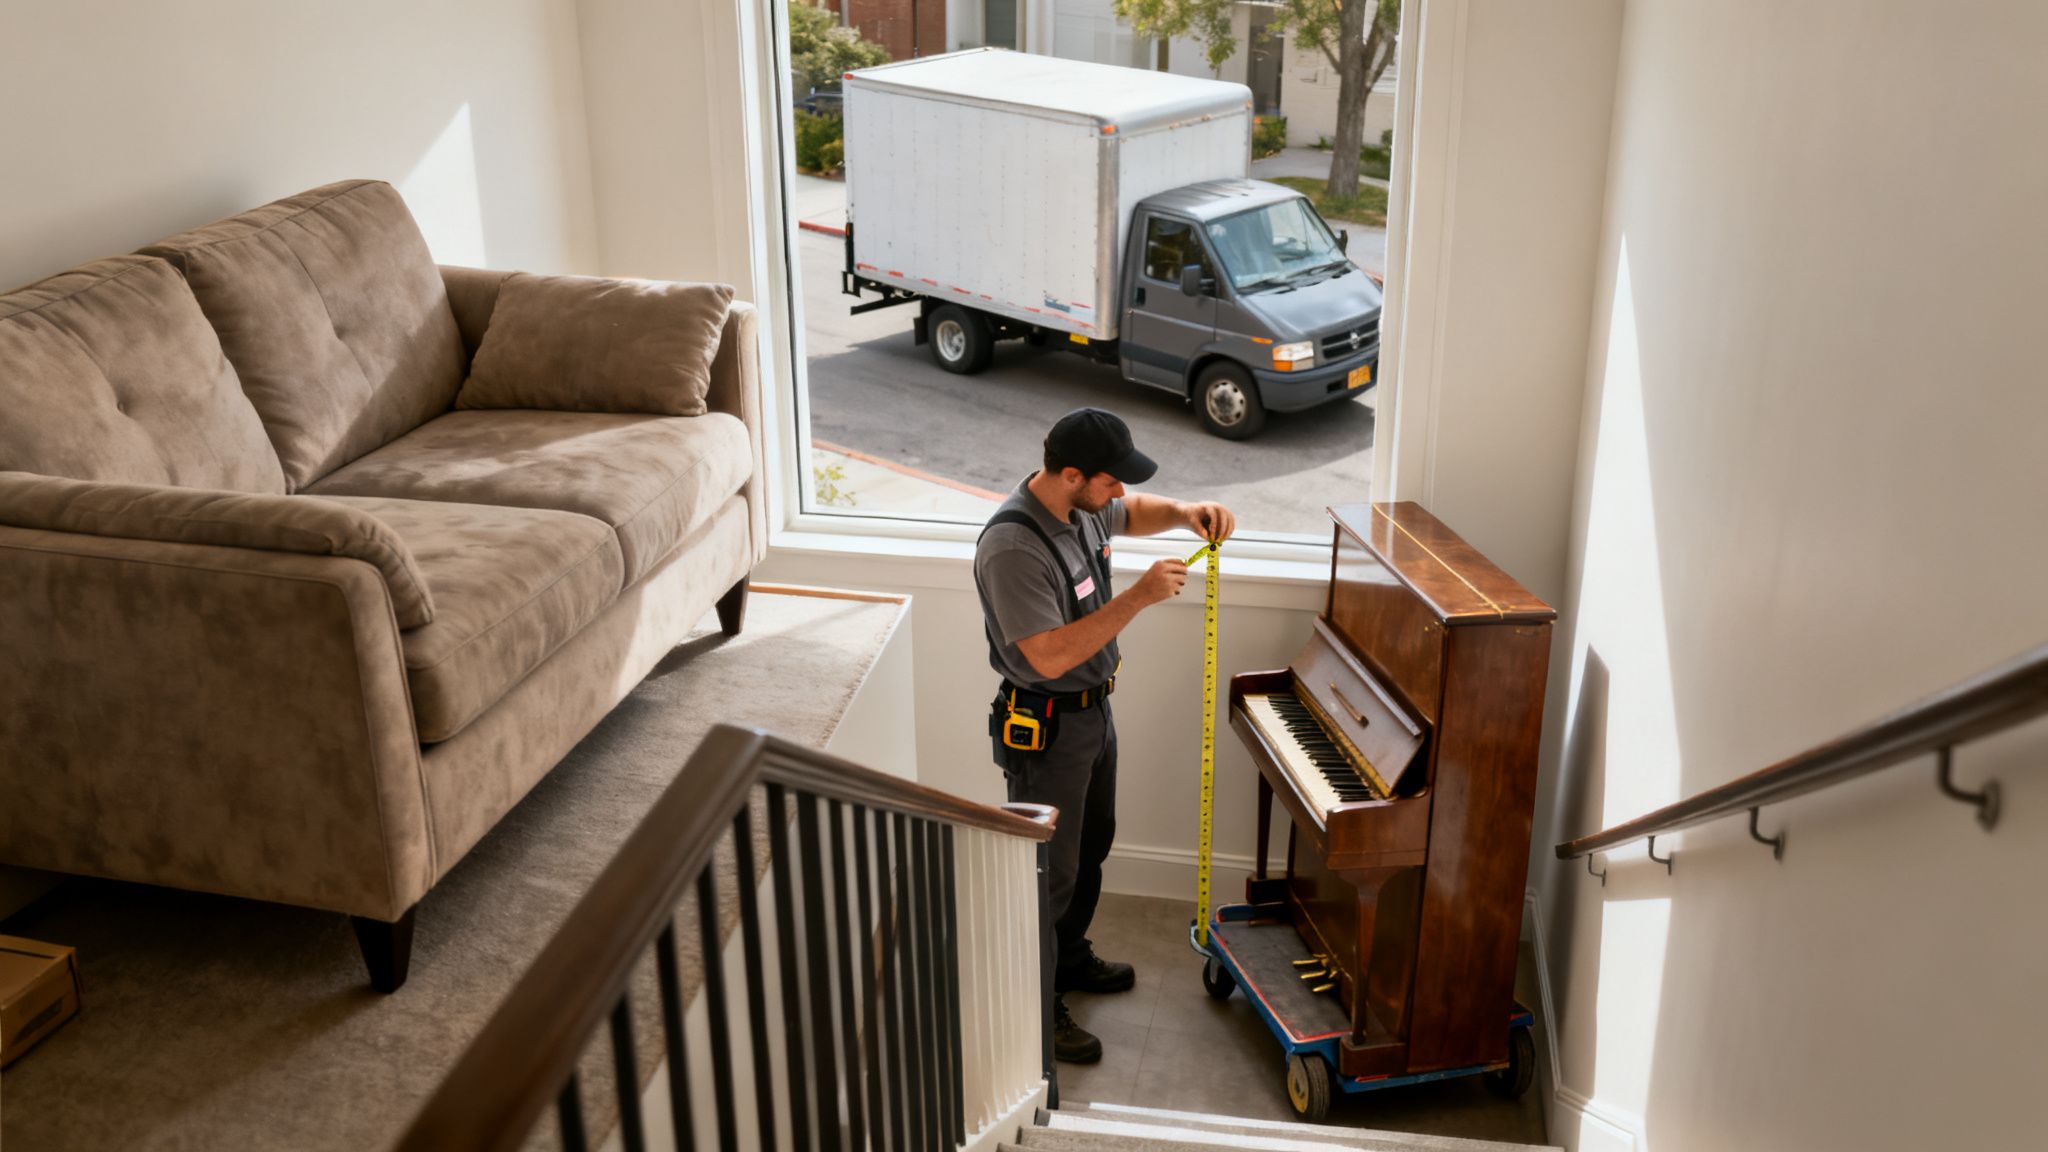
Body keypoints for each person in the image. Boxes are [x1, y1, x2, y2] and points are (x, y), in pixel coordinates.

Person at [974, 407, 1236, 1064]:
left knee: (1089, 849)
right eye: (1110, 481)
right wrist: (1141, 596)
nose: (1118, 491)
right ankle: (1034, 1009)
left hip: (1093, 713)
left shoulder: (1081, 506)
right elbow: (1047, 657)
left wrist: (1186, 511)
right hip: (1048, 726)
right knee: (1047, 877)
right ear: (1070, 475)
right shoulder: (1013, 547)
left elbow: (1134, 510)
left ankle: (1072, 959)